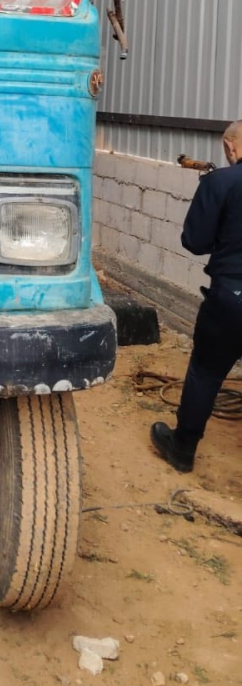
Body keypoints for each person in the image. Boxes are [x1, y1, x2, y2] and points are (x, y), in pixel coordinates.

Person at [151, 119, 242, 472]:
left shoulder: (221, 182)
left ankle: (182, 449)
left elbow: (195, 241)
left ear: (230, 146)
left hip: (232, 296)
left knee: (206, 371)